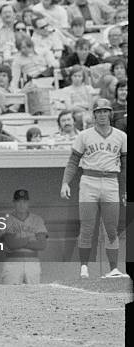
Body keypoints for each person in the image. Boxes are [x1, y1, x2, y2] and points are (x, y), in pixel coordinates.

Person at [60, 99, 128, 279]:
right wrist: (65, 182)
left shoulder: (121, 136)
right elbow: (73, 160)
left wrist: (125, 188)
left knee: (112, 228)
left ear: (110, 113)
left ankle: (113, 268)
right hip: (89, 180)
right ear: (94, 114)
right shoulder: (84, 135)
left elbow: (125, 164)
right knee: (87, 227)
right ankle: (84, 267)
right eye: (99, 111)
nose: (103, 115)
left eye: (106, 111)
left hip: (111, 181)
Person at [0, 189, 48, 284]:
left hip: (32, 263)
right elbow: (11, 244)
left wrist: (20, 242)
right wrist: (30, 239)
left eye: (24, 202)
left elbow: (42, 245)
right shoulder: (7, 220)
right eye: (18, 201)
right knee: (10, 296)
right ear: (14, 203)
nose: (21, 205)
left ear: (28, 203)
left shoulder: (37, 220)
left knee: (34, 296)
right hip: (12, 264)